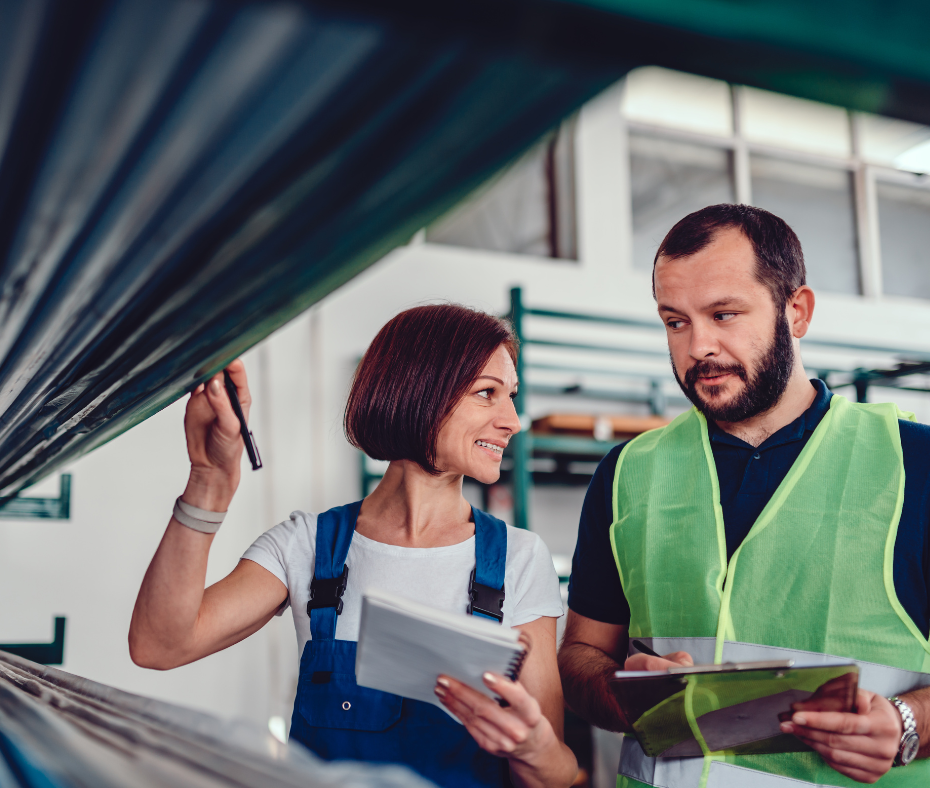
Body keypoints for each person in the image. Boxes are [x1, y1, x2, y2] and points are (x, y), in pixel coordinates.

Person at [129, 304, 578, 788]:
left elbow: (554, 776)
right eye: (487, 393)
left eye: (511, 396)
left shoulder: (519, 559)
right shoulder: (307, 544)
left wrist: (536, 751)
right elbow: (159, 644)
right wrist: (209, 479)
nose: (513, 421)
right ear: (419, 391)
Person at [558, 204, 930, 787]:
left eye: (723, 314)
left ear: (796, 311)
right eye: (675, 322)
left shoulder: (916, 465)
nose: (698, 346)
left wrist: (909, 722)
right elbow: (582, 654)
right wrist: (620, 691)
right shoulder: (626, 472)